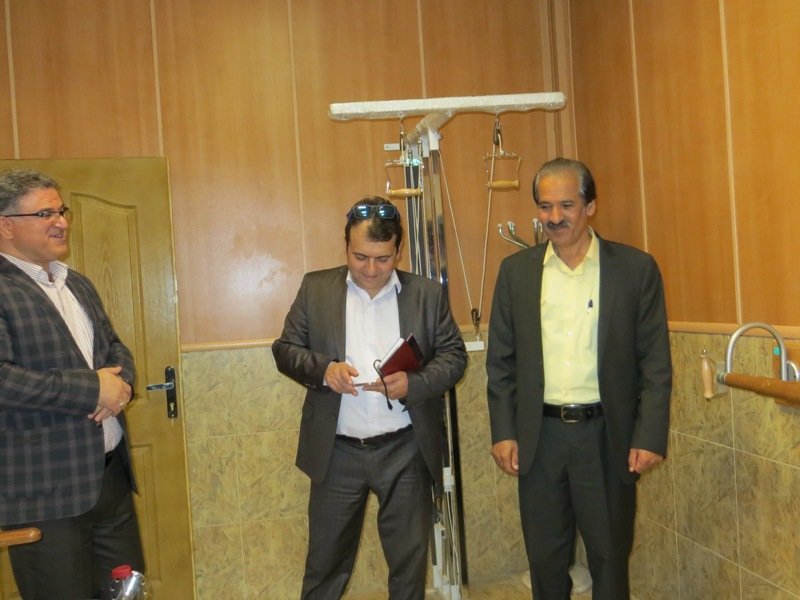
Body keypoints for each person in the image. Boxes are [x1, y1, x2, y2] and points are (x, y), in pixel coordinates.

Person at [486, 158, 672, 600]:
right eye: (545, 206)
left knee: (610, 560)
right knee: (545, 561)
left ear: (590, 206)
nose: (554, 217)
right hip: (540, 439)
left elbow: (655, 363)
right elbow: (501, 363)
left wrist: (649, 436)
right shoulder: (516, 273)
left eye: (566, 205)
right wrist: (504, 431)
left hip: (607, 438)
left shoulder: (634, 270)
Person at [272, 196, 467, 599]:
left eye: (383, 259)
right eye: (360, 257)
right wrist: (324, 370)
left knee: (408, 567)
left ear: (399, 251)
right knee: (325, 566)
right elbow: (285, 350)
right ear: (345, 247)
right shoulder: (316, 289)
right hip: (338, 453)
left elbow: (454, 357)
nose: (371, 269)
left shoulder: (426, 294)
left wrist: (414, 384)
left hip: (406, 450)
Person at [0, 170, 143, 599]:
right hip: (45, 495)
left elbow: (115, 349)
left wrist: (121, 386)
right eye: (45, 213)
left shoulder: (75, 282)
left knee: (126, 594)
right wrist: (91, 390)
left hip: (110, 484)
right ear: (6, 225)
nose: (61, 222)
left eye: (61, 211)